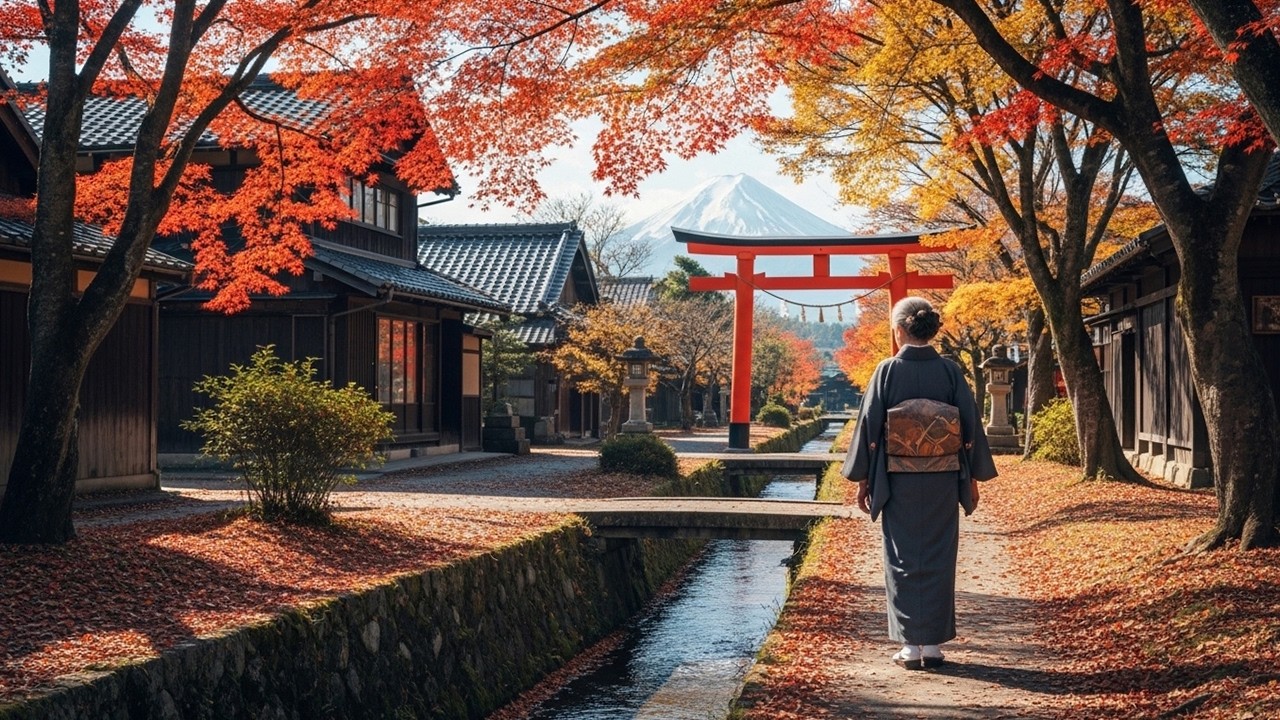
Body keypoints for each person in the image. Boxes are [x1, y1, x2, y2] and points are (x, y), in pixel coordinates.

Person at [841, 296, 998, 671]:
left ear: (899, 330)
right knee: (940, 557)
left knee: (902, 558)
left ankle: (911, 647)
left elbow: (868, 427)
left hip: (898, 479)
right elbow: (970, 426)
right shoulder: (949, 371)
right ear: (930, 330)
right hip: (943, 477)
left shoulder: (886, 371)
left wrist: (863, 478)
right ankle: (933, 646)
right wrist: (973, 477)